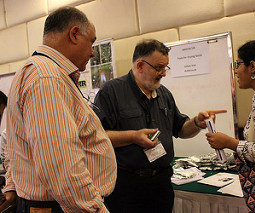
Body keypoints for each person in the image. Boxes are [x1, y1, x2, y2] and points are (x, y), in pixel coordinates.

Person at [3, 7, 117, 212]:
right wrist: (94, 209)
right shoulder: (47, 77)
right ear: (74, 34)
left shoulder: (38, 72)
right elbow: (61, 165)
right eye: (91, 42)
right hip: (63, 206)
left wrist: (11, 184)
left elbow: (16, 146)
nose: (92, 51)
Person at [93, 39, 226, 213]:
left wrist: (196, 123)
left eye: (166, 68)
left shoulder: (164, 94)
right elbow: (96, 137)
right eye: (159, 68)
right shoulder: (111, 92)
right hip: (126, 186)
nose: (163, 73)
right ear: (140, 65)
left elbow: (180, 129)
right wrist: (133, 137)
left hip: (161, 184)